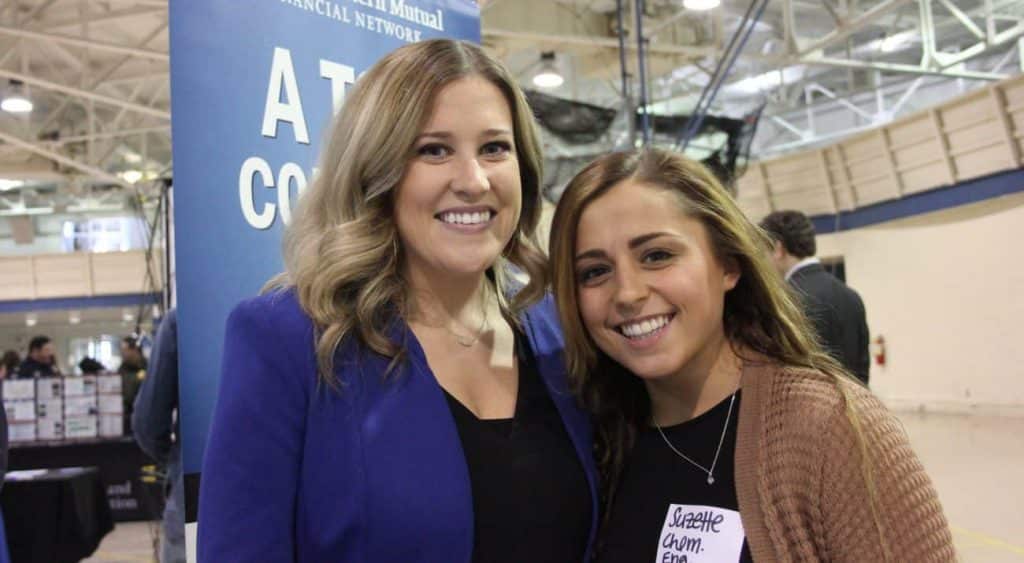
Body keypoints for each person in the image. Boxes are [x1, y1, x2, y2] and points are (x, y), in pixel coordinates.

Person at [199, 39, 597, 562]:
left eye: (495, 148)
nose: (474, 181)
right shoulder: (289, 339)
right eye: (434, 150)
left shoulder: (559, 328)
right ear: (376, 171)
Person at [548, 148, 954, 562]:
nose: (628, 293)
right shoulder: (599, 440)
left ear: (728, 265)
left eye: (657, 256)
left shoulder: (829, 430)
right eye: (594, 272)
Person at [760, 210, 871, 384]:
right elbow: (862, 370)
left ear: (778, 249)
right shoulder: (851, 296)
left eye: (763, 253)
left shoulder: (783, 302)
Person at [132, 309, 184, 563]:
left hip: (195, 488)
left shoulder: (181, 321)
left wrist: (173, 459)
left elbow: (149, 423)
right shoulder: (303, 311)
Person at [118, 336, 147, 433]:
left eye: (125, 350)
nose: (123, 353)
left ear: (135, 350)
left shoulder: (149, 366)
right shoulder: (122, 370)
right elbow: (128, 394)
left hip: (147, 416)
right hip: (128, 418)